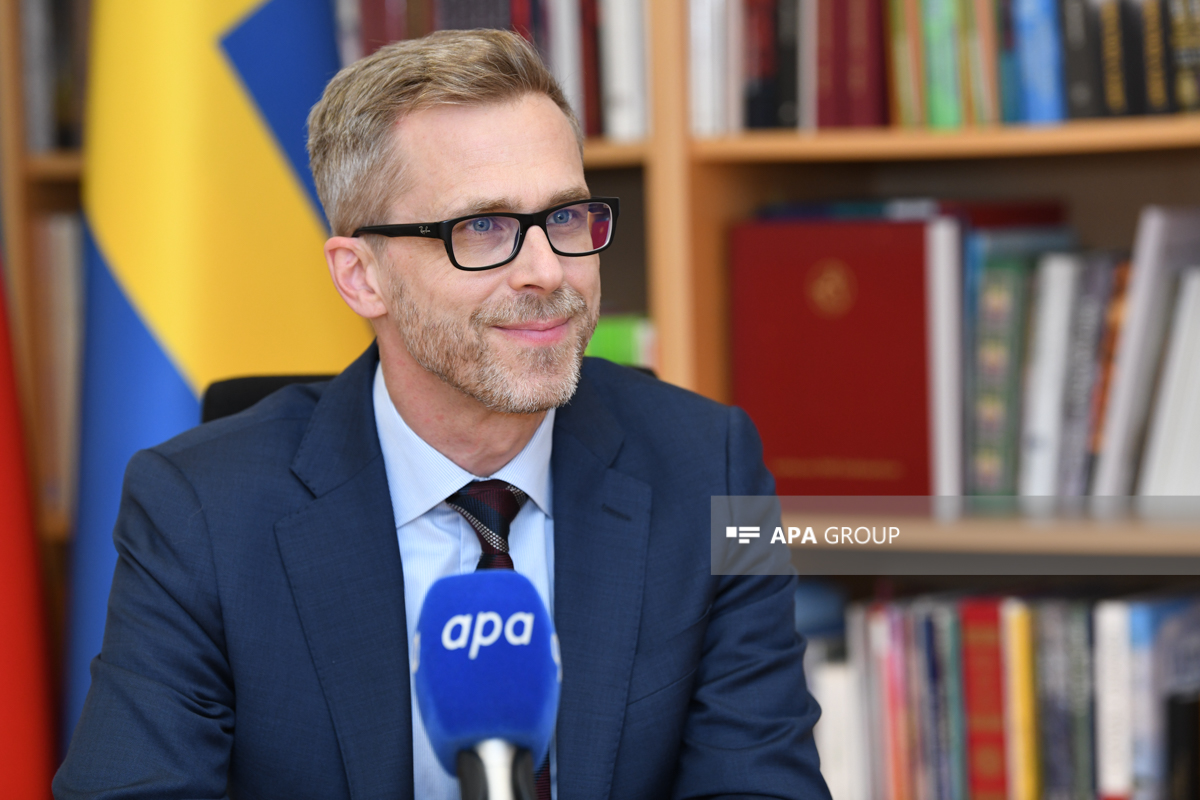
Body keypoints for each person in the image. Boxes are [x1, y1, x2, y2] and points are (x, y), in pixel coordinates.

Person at [54, 29, 828, 800]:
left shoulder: (711, 467)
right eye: (482, 228)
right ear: (362, 277)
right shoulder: (200, 511)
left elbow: (760, 786)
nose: (547, 271)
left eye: (565, 217)